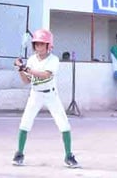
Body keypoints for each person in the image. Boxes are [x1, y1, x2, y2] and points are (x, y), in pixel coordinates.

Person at [12, 29, 79, 168]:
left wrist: (26, 69)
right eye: (37, 44)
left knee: (64, 124)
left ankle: (68, 156)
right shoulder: (31, 60)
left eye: (42, 44)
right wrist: (20, 70)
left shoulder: (53, 59)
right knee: (25, 123)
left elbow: (46, 75)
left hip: (51, 95)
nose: (39, 47)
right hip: (35, 94)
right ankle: (19, 153)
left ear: (49, 46)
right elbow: (26, 81)